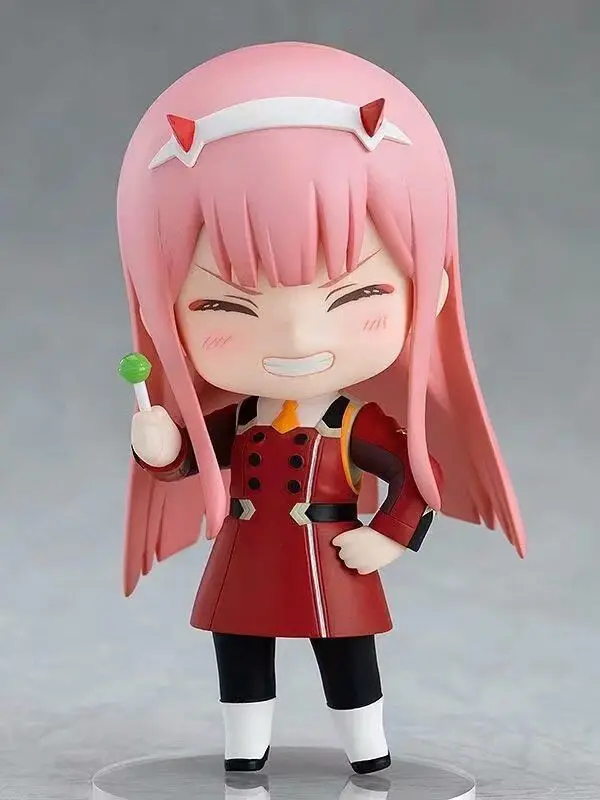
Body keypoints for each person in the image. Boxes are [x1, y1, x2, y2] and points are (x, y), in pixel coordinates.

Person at [116, 42, 526, 775]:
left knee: (347, 658)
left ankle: (368, 750)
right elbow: (191, 458)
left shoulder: (351, 424)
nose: (299, 339)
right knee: (240, 656)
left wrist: (390, 537)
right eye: (224, 306)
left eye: (356, 295)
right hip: (245, 558)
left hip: (331, 558)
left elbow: (416, 474)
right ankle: (245, 750)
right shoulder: (241, 420)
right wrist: (161, 446)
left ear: (428, 288)